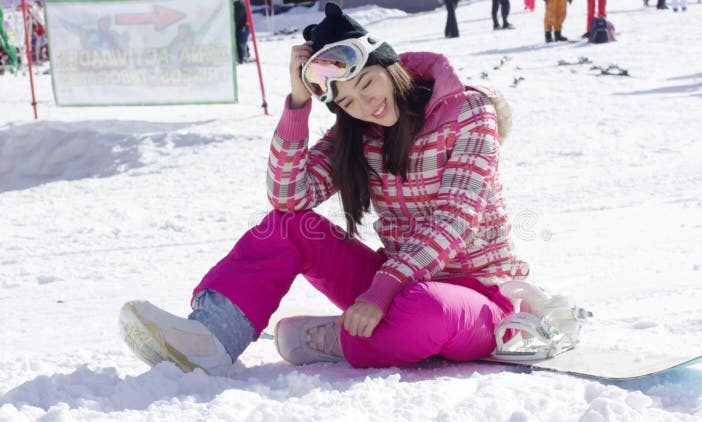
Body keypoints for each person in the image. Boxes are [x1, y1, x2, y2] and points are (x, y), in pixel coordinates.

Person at [119, 1, 530, 374]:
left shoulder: (468, 111)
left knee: (428, 310)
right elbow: (287, 197)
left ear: (389, 65)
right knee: (285, 226)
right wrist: (298, 103)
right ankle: (211, 337)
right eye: (347, 101)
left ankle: (338, 338)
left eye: (367, 84)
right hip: (395, 288)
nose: (366, 105)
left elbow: (455, 218)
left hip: (476, 296)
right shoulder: (358, 133)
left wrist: (381, 290)